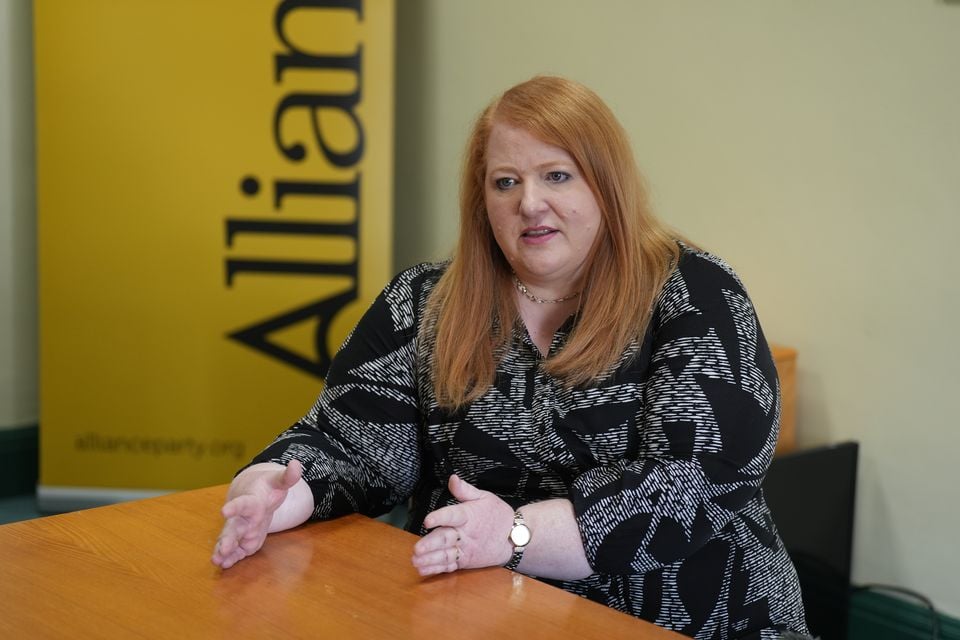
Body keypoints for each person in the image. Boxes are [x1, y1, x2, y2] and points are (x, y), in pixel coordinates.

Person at [212, 76, 809, 639]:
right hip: (475, 614)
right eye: (506, 182)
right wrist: (274, 491)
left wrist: (515, 534)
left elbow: (692, 489)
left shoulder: (696, 295)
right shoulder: (424, 302)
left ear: (606, 184)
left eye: (556, 176)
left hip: (692, 621)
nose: (530, 204)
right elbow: (349, 444)